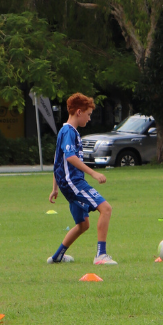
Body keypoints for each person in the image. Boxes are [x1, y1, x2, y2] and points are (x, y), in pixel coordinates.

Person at [47, 93, 114, 265]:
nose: (89, 119)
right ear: (79, 112)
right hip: (74, 183)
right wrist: (94, 173)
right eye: (89, 114)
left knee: (83, 225)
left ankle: (57, 257)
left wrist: (54, 188)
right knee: (106, 209)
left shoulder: (64, 131)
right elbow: (69, 157)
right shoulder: (69, 131)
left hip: (66, 185)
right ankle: (101, 255)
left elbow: (57, 161)